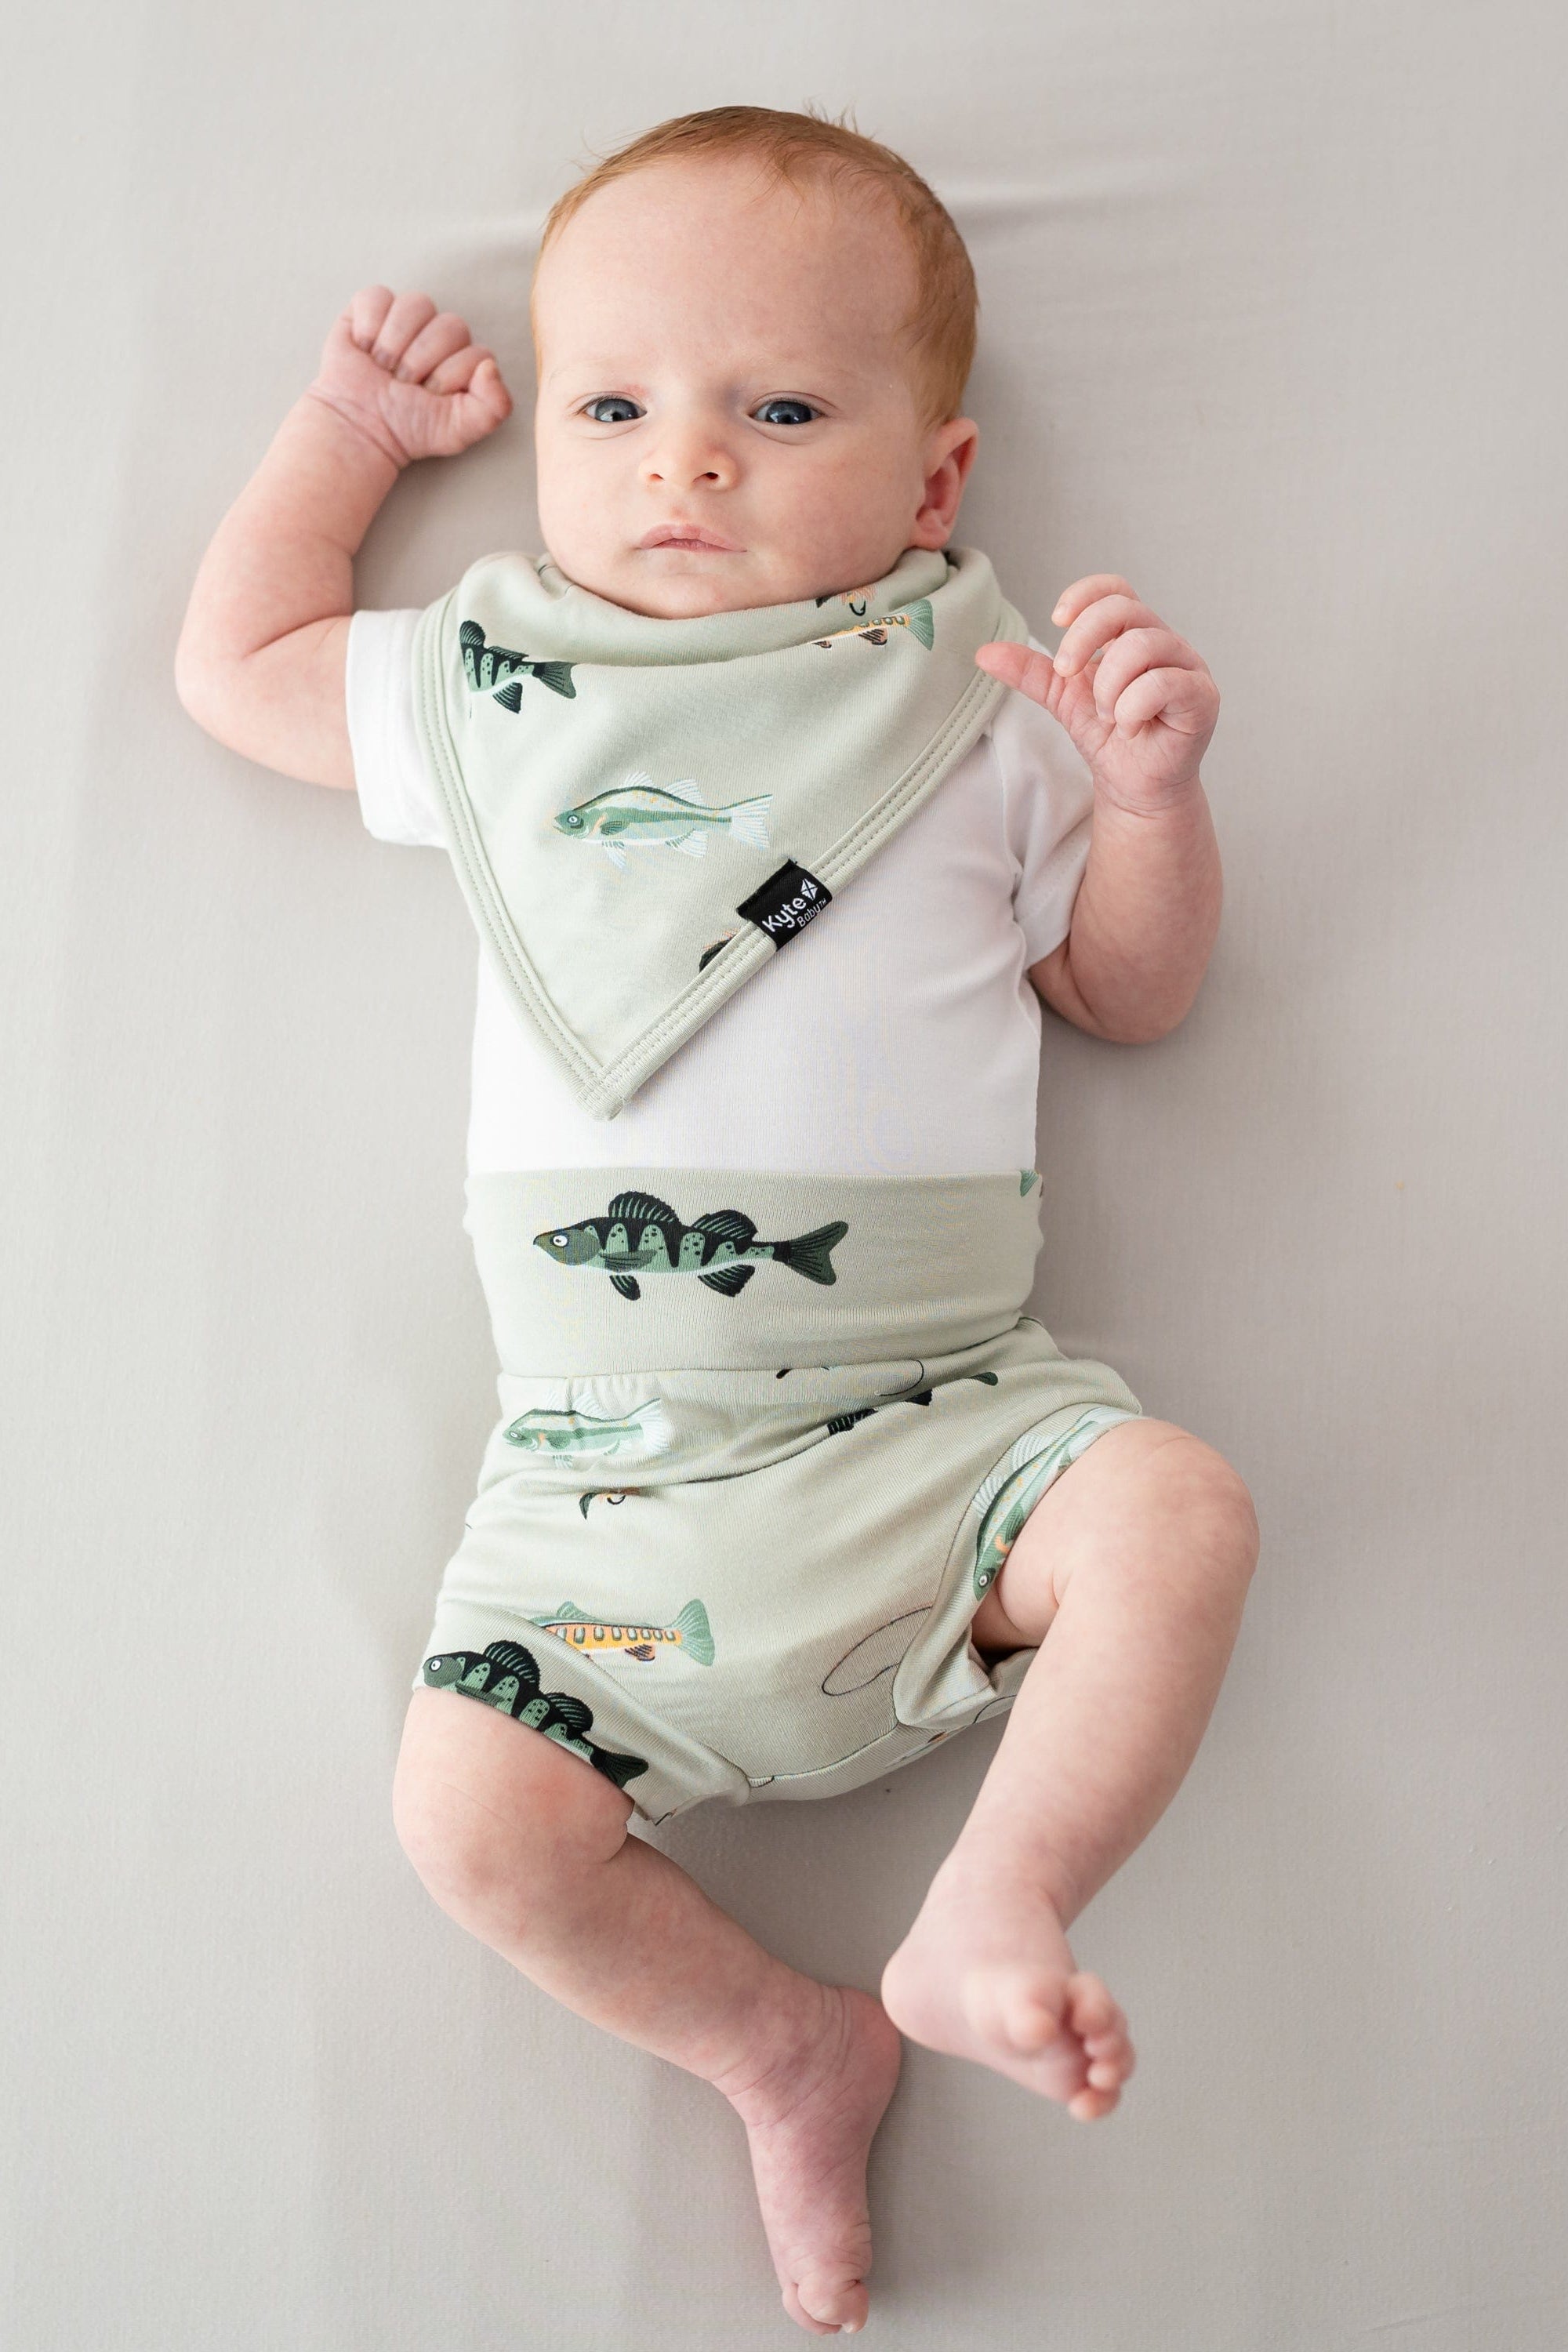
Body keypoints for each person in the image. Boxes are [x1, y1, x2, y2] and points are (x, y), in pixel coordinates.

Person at [175, 104, 1260, 2339]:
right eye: (616, 408)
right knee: (470, 1822)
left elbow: (1128, 996)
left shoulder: (991, 716)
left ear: (936, 486)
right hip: (599, 1480)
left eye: (778, 409)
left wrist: (1150, 802)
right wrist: (347, 437)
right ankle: (782, 2042)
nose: (687, 466)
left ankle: (991, 1908)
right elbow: (245, 661)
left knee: (1178, 1512)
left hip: (938, 1423)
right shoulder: (511, 698)